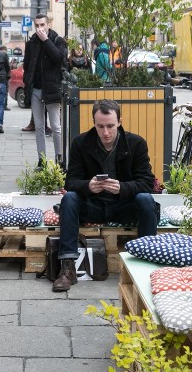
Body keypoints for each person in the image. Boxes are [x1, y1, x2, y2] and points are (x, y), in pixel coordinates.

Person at [52, 99, 159, 292]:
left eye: (110, 126)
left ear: (119, 121)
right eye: (100, 126)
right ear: (94, 123)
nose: (106, 132)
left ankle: (148, 266)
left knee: (146, 199)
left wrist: (122, 188)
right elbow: (71, 181)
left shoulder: (136, 143)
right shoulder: (81, 142)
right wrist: (88, 186)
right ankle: (67, 267)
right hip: (93, 206)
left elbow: (147, 182)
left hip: (123, 206)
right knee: (69, 198)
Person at [22, 14, 68, 165]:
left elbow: (59, 58)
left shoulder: (58, 40)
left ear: (48, 24)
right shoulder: (31, 43)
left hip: (52, 88)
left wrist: (46, 41)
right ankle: (41, 160)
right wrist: (27, 81)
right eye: (37, 26)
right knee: (39, 126)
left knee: (56, 126)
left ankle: (59, 159)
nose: (39, 28)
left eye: (42, 25)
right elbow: (27, 65)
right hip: (36, 88)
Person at [0, 45, 11, 110]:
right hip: (4, 76)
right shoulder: (5, 55)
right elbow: (8, 66)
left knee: (0, 92)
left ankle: (0, 104)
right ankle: (4, 105)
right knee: (5, 91)